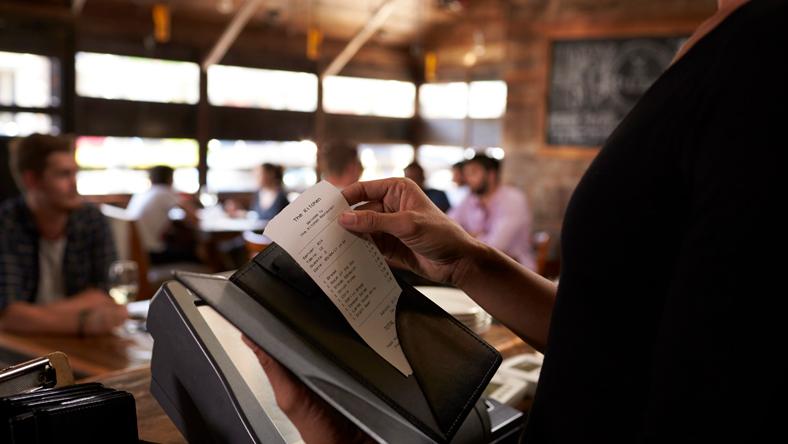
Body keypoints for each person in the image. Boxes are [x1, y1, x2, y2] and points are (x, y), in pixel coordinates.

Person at [243, 0, 784, 442]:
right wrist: (464, 262)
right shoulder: (734, 43)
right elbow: (616, 334)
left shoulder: (766, 54)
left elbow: (715, 397)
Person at [0, 134, 128, 335]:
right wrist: (84, 322)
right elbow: (7, 316)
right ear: (32, 180)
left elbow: (107, 294)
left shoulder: (92, 220)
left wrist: (29, 316)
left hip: (76, 346)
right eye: (63, 174)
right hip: (19, 351)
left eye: (74, 174)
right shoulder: (6, 225)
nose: (74, 184)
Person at [448, 153, 536, 270]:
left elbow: (496, 247)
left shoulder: (512, 199)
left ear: (492, 175)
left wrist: (467, 235)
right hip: (478, 267)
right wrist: (480, 236)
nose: (467, 179)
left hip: (514, 270)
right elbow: (446, 226)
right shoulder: (469, 199)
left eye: (473, 173)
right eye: (466, 174)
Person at [125, 165, 200, 265]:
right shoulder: (164, 192)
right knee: (196, 257)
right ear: (170, 179)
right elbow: (194, 217)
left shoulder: (143, 193)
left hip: (136, 250)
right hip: (151, 252)